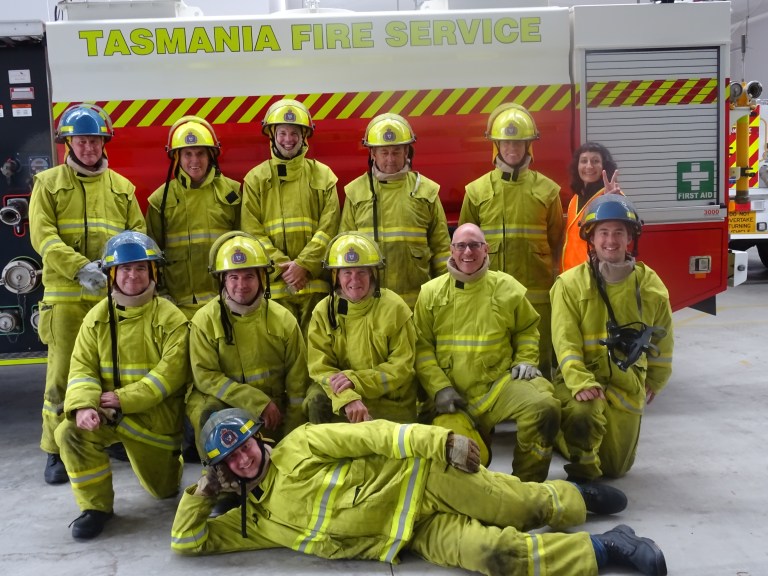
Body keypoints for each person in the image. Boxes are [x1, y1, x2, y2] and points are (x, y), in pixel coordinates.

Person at [171, 409, 668, 576]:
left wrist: (441, 442)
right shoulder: (252, 522)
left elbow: (375, 435)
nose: (244, 459)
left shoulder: (299, 444)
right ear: (224, 475)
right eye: (229, 461)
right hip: (411, 534)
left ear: (258, 437)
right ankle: (609, 547)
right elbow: (188, 543)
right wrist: (198, 492)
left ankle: (574, 496)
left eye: (245, 446)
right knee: (495, 552)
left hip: (425, 479)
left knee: (520, 505)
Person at [29, 103, 145, 485]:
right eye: (82, 140)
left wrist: (116, 275)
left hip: (109, 295)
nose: (89, 147)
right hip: (64, 296)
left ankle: (107, 436)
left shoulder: (122, 188)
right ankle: (55, 449)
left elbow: (136, 239)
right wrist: (79, 268)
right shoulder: (47, 183)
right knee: (61, 374)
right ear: (69, 143)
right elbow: (43, 236)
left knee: (110, 369)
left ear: (104, 142)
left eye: (95, 140)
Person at [55, 231, 189, 540]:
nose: (133, 275)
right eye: (125, 268)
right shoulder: (96, 318)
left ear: (153, 272)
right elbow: (82, 370)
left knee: (164, 491)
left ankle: (170, 468)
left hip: (155, 426)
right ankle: (95, 508)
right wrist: (84, 406)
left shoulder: (171, 318)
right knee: (69, 433)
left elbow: (169, 376)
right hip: (106, 412)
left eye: (141, 267)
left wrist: (120, 398)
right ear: (112, 273)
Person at [414, 223, 559, 481]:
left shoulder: (507, 287)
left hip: (498, 387)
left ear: (486, 249)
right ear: (451, 250)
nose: (467, 252)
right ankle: (482, 484)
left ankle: (527, 485)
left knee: (543, 407)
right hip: (454, 397)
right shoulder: (430, 293)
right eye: (461, 246)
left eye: (474, 245)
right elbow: (422, 348)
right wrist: (439, 388)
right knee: (458, 456)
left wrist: (525, 359)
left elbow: (527, 328)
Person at [550, 195, 673, 482]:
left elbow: (664, 341)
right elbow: (564, 342)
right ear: (590, 239)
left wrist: (655, 379)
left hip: (626, 383)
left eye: (619, 232)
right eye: (603, 232)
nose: (610, 240)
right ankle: (568, 444)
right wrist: (579, 380)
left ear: (630, 237)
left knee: (616, 469)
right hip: (582, 381)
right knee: (584, 415)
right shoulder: (568, 285)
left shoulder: (651, 286)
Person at [460, 103, 563, 378]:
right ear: (496, 146)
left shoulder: (549, 191)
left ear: (529, 145)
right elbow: (464, 250)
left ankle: (539, 415)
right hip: (489, 296)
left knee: (537, 367)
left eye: (519, 143)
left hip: (537, 298)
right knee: (491, 361)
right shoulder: (476, 191)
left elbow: (558, 243)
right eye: (506, 143)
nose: (513, 149)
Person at [186, 231, 309, 456]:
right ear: (222, 279)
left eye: (249, 276)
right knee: (207, 410)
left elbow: (297, 386)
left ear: (262, 278)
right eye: (233, 277)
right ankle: (218, 476)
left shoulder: (283, 319)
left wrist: (293, 436)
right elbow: (205, 377)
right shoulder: (205, 320)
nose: (241, 285)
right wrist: (256, 402)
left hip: (274, 415)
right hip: (227, 410)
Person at [241, 99, 340, 335]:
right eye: (282, 132)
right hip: (275, 288)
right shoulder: (255, 180)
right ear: (272, 135)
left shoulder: (324, 176)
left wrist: (304, 266)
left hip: (315, 287)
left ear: (304, 135)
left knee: (318, 352)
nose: (288, 139)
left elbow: (330, 227)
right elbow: (252, 232)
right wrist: (285, 269)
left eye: (294, 133)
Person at [341, 113, 451, 309]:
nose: (390, 159)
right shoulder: (355, 193)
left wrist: (447, 295)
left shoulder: (426, 192)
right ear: (372, 153)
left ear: (407, 151)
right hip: (369, 305)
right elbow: (344, 252)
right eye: (384, 152)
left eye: (396, 152)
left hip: (417, 305)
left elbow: (442, 250)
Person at [306, 232, 417, 424]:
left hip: (390, 402)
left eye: (362, 272)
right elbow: (320, 368)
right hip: (343, 397)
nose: (355, 280)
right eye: (347, 273)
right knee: (315, 400)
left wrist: (356, 381)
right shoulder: (324, 311)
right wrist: (348, 397)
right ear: (336, 277)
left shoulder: (395, 308)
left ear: (373, 274)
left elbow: (401, 367)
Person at [146, 115, 241, 319]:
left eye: (200, 153)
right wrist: (160, 294)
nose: (194, 161)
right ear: (177, 158)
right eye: (187, 154)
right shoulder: (160, 200)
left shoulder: (233, 194)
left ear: (211, 156)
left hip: (225, 303)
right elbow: (152, 254)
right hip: (176, 306)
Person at [561, 142, 622, 272]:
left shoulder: (611, 195)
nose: (589, 166)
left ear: (604, 166)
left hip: (596, 276)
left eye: (595, 161)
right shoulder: (574, 200)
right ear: (577, 166)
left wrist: (613, 202)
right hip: (572, 276)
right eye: (584, 161)